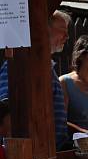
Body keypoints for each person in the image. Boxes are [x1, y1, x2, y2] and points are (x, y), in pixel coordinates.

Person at [0, 10, 71, 150]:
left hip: (49, 151)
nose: (67, 37)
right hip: (33, 155)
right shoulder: (17, 66)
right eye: (63, 31)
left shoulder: (45, 66)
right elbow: (7, 110)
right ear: (44, 29)